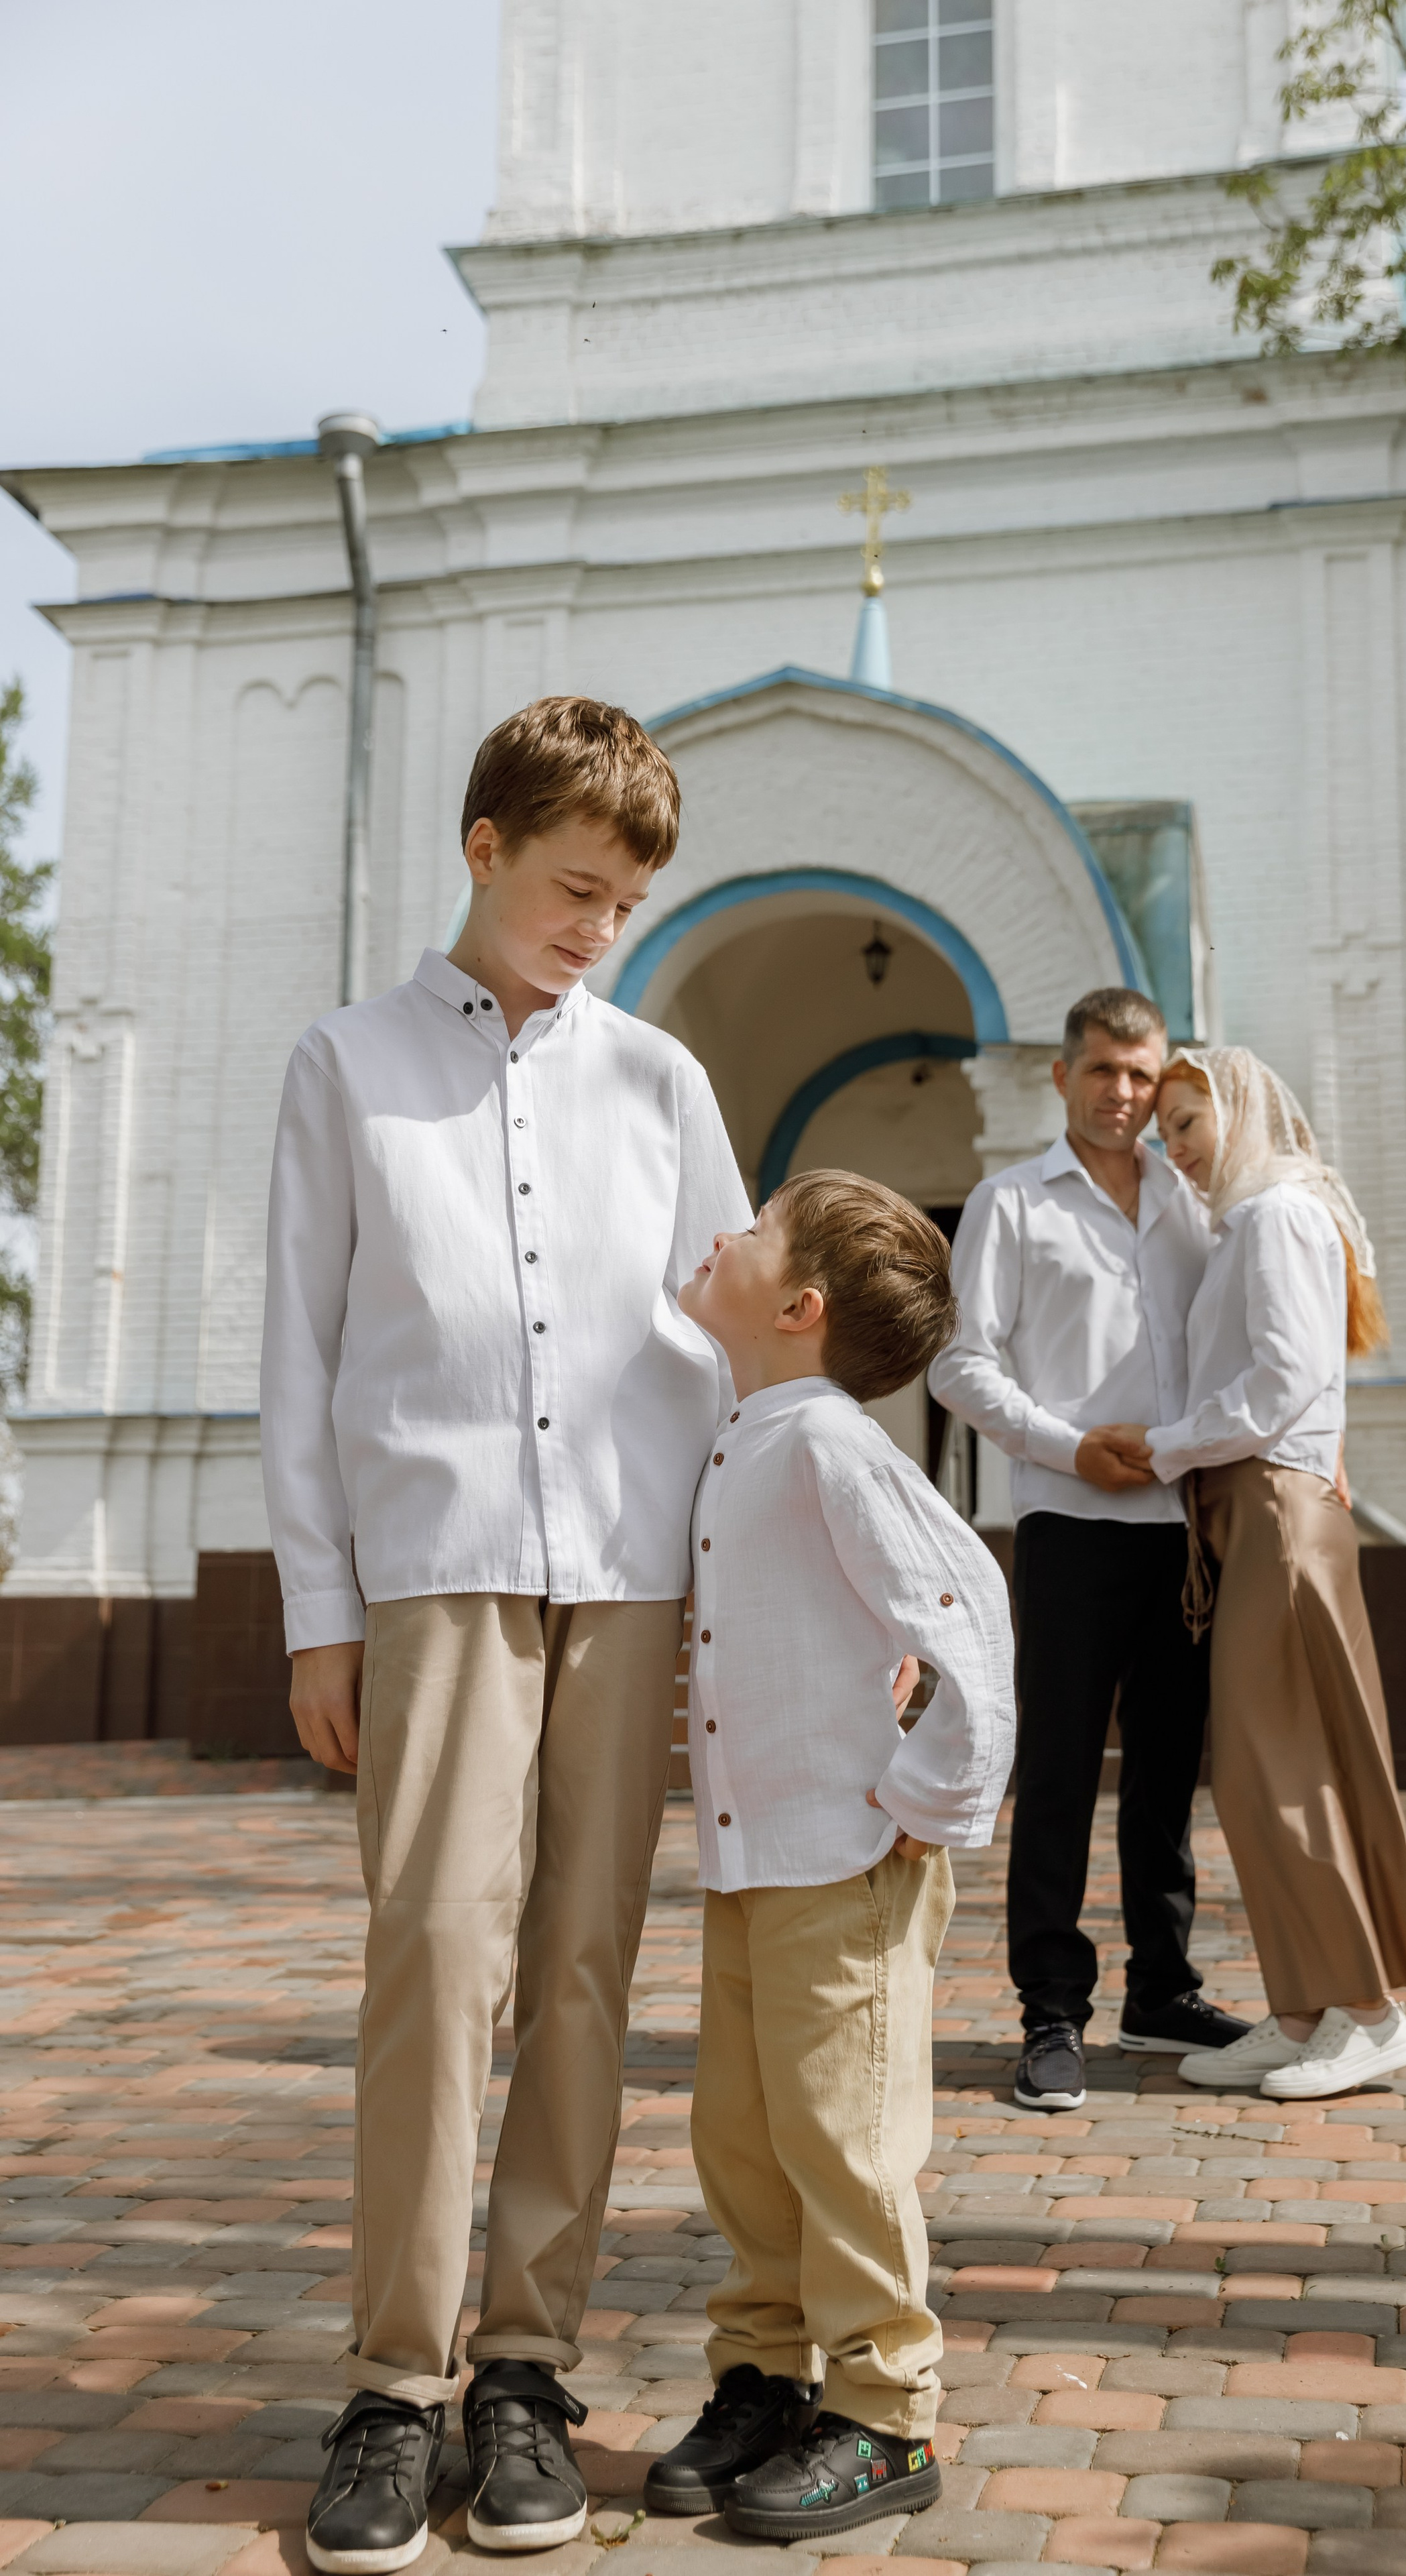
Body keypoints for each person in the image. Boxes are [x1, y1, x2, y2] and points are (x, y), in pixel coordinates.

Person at [261, 697, 752, 2575]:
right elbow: (298, 1357)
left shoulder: (658, 1083)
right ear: (483, 850)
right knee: (434, 1955)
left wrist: (753, 1590)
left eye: (624, 900)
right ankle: (396, 2383)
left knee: (580, 1967)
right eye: (570, 885)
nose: (595, 923)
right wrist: (324, 1612)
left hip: (628, 1578)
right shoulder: (348, 1065)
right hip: (439, 1571)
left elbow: (730, 1340)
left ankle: (527, 2373)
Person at [645, 1170, 1016, 2541]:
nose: (718, 1234)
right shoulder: (748, 1430)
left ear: (796, 1306)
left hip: (844, 1857)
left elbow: (968, 1611)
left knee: (842, 2140)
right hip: (754, 1858)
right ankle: (761, 2372)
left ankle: (881, 2413)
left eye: (750, 1232)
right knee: (743, 2139)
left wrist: (929, 1794)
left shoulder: (827, 1447)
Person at [929, 989, 1249, 2116]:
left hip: (1188, 1534)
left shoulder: (1197, 1204)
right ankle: (1051, 2011)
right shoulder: (1011, 1203)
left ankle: (1162, 1990)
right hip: (1069, 1527)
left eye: (1143, 1074)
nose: (1124, 1092)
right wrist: (1073, 1448)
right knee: (1059, 1775)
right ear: (1062, 1077)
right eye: (1104, 1070)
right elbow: (960, 1366)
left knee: (1168, 1775)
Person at [1126, 1045, 1406, 2101]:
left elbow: (1287, 1380)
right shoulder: (1259, 1218)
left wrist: (1166, 1443)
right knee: (1265, 1769)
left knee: (1284, 1765)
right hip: (1260, 1507)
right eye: (1163, 1130)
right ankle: (1305, 2009)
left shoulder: (1274, 1217)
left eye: (1187, 1123)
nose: (1175, 1148)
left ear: (1241, 1113)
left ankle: (1364, 2011)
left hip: (1275, 1506)